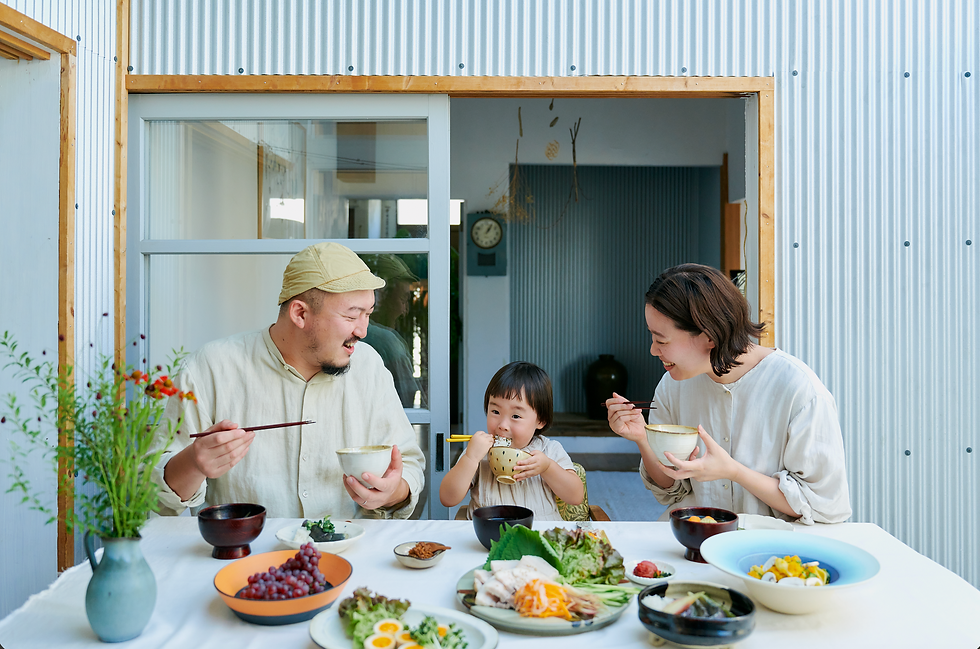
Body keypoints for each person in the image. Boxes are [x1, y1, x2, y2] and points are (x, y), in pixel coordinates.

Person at [150, 242, 426, 520]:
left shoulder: (369, 366)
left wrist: (393, 492)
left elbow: (408, 464)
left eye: (368, 315)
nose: (363, 331)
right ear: (300, 314)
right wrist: (194, 462)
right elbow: (156, 498)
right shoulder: (210, 367)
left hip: (353, 545)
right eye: (352, 316)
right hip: (248, 547)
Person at [606, 264, 851, 524]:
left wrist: (733, 471)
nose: (653, 350)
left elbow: (822, 505)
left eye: (661, 340)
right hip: (692, 535)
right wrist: (643, 439)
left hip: (771, 545)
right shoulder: (672, 385)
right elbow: (671, 488)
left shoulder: (800, 390)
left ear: (709, 336)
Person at [439, 361, 584, 520]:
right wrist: (470, 458)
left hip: (539, 533)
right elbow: (447, 498)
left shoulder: (550, 450)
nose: (502, 425)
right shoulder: (478, 451)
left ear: (540, 420)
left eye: (515, 416)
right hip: (488, 532)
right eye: (495, 411)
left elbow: (575, 497)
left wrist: (548, 468)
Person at [362, 254, 424, 408]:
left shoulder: (349, 334)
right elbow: (406, 400)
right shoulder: (388, 342)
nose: (405, 311)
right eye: (403, 299)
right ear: (380, 297)